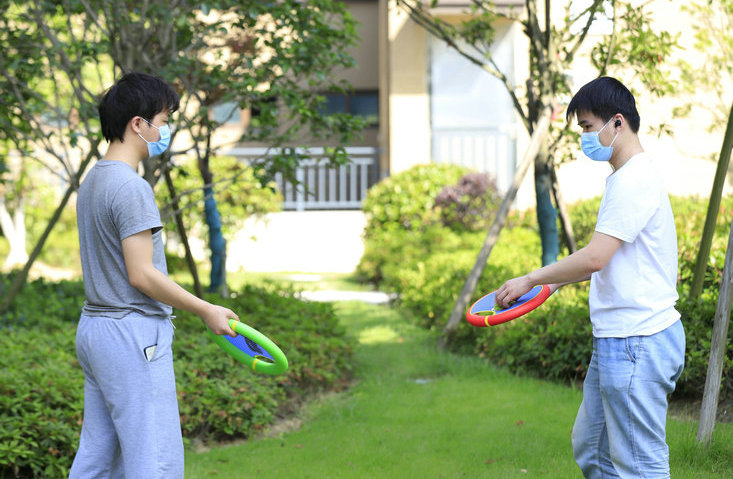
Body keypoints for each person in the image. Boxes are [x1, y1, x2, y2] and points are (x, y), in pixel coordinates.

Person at [494, 76, 685, 479]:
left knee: (640, 464)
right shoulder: (625, 176)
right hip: (618, 339)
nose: (583, 136)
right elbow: (606, 259)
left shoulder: (633, 179)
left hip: (638, 340)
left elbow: (595, 258)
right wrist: (553, 281)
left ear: (617, 123)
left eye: (586, 127)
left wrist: (531, 279)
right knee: (593, 449)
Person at [70, 72, 238, 478]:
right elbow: (141, 274)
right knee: (155, 459)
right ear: (138, 124)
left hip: (95, 329)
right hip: (132, 337)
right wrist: (205, 310)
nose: (165, 130)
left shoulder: (93, 179)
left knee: (99, 456)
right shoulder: (130, 187)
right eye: (162, 121)